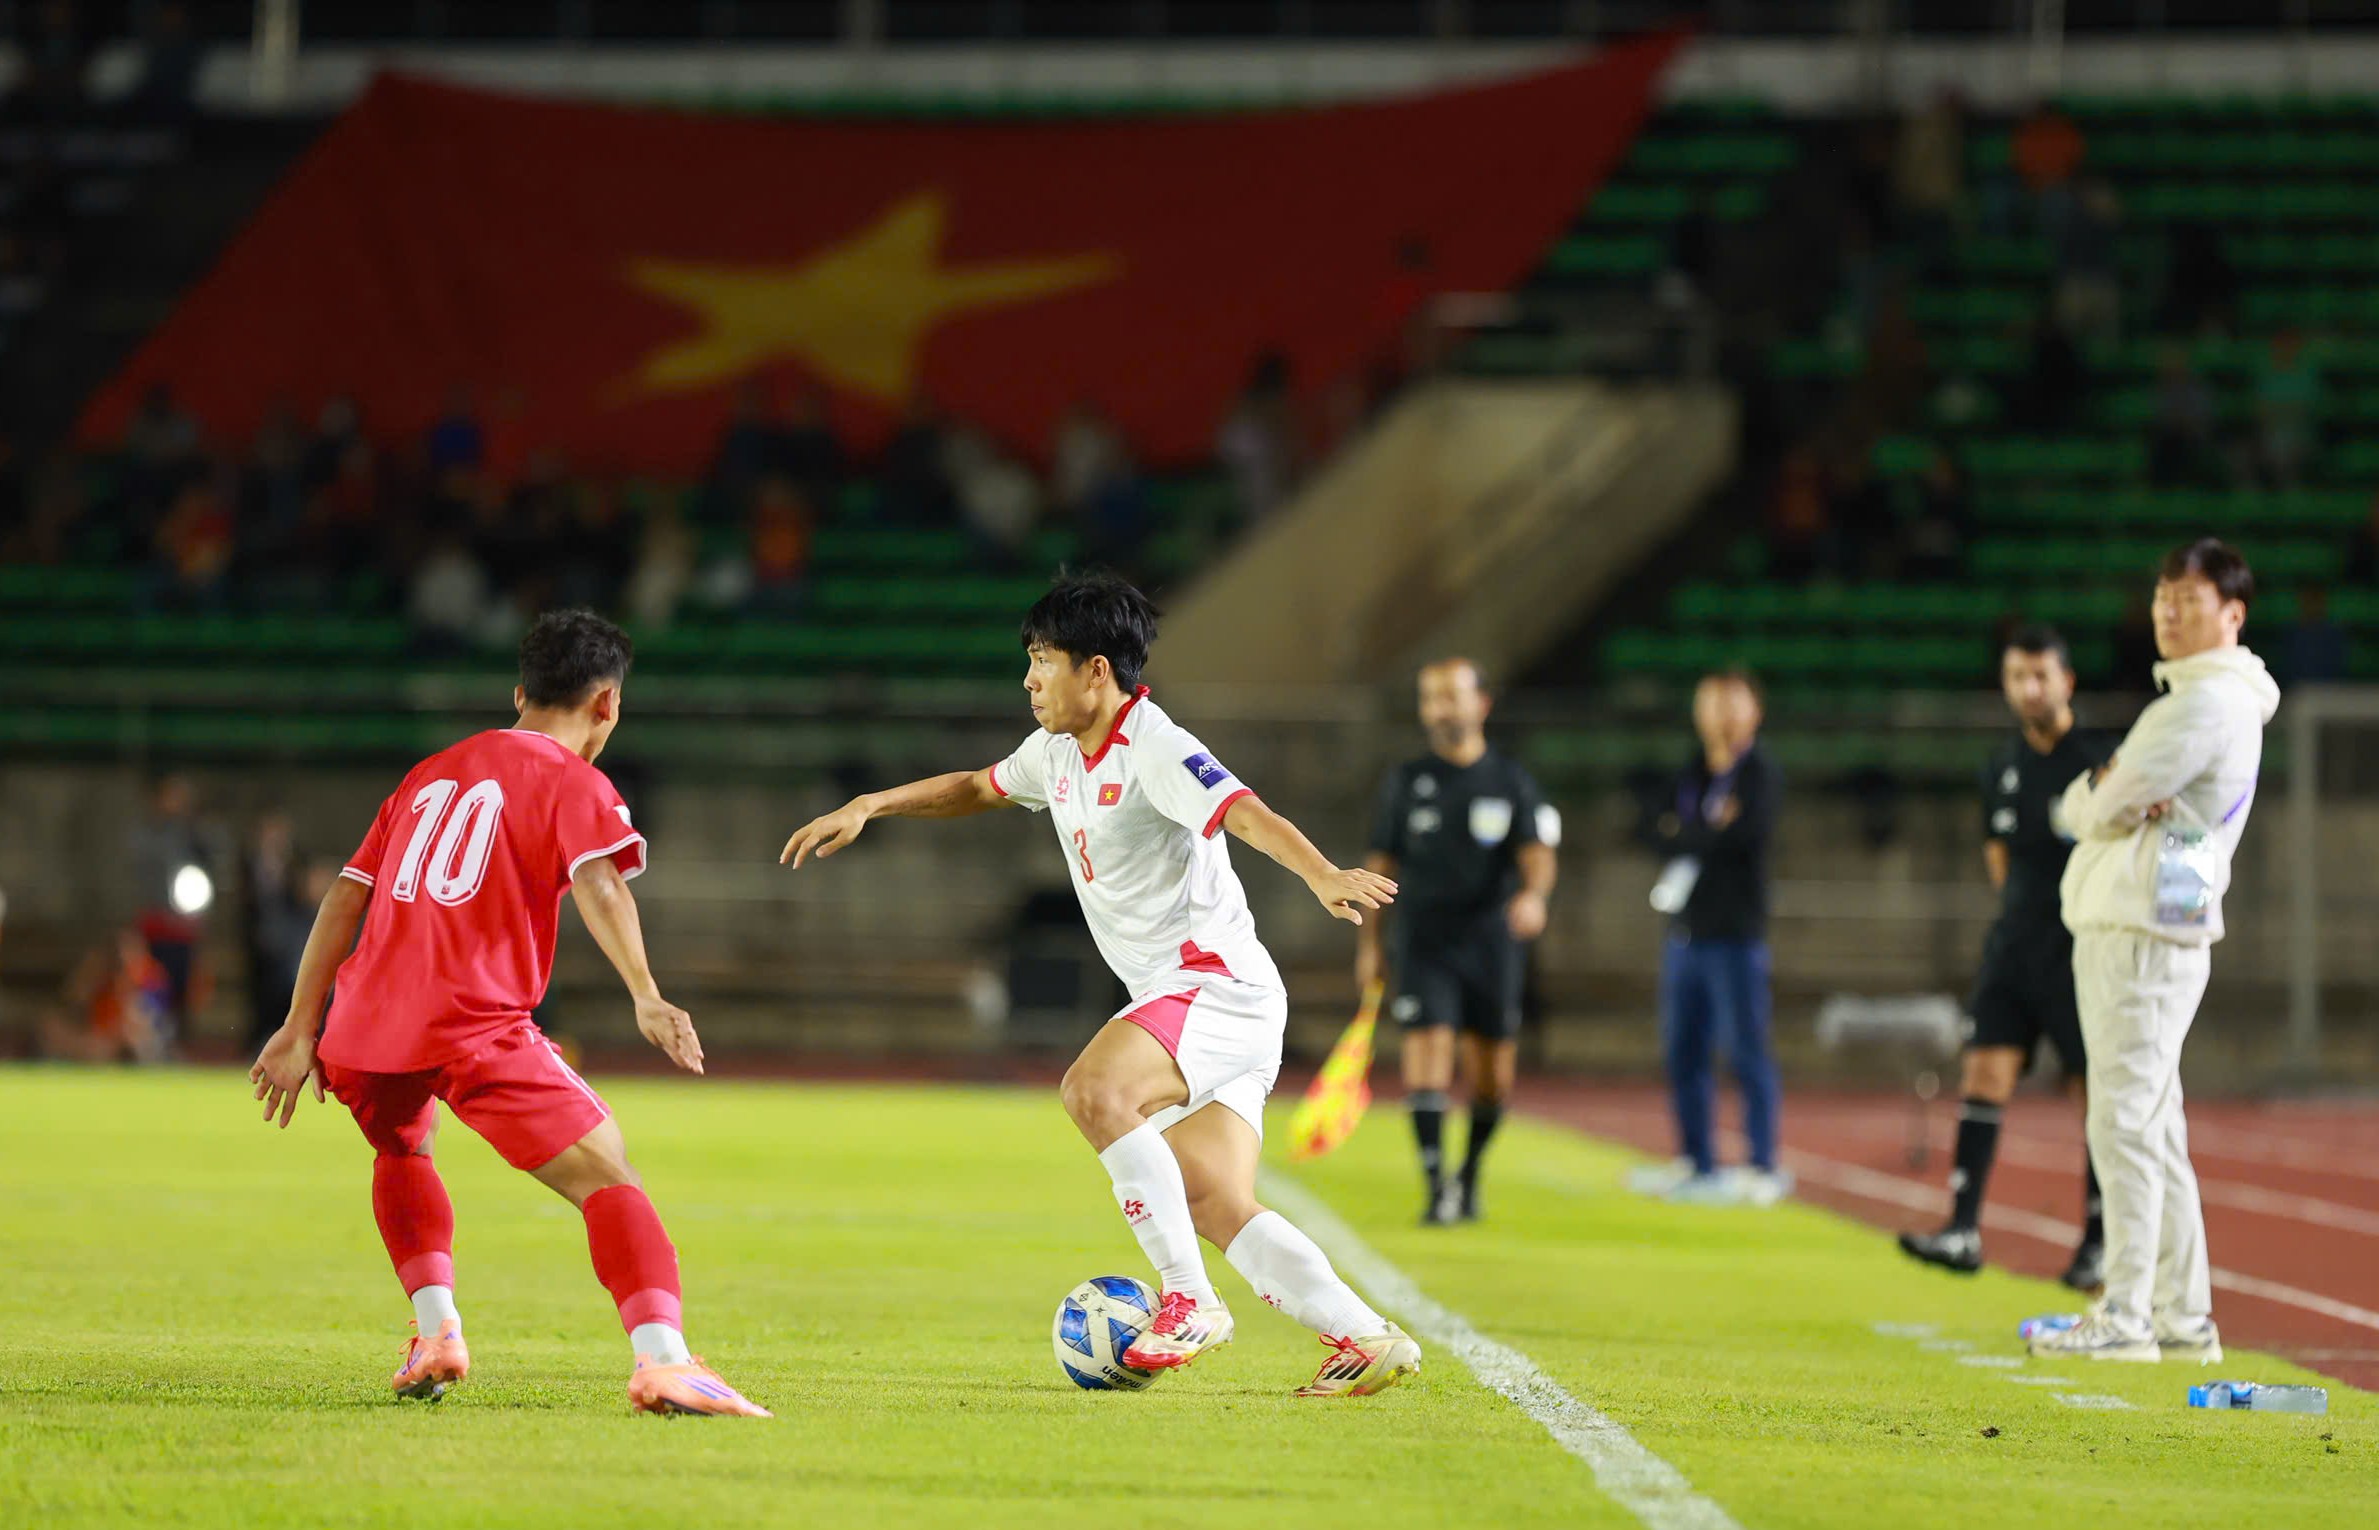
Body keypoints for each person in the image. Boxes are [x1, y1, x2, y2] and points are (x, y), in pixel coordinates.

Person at [779, 570, 1421, 1398]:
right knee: (1210, 1197)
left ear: (1095, 671)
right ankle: (1363, 1336)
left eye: (1042, 659)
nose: (1028, 678)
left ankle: (1188, 1301)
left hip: (1211, 985)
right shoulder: (1054, 752)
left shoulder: (1154, 744)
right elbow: (978, 786)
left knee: (1092, 1092)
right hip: (1208, 1000)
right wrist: (872, 803)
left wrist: (1321, 873)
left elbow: (1244, 811)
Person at [246, 610, 769, 1417]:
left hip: (364, 1029)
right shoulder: (573, 781)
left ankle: (436, 1332)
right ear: (608, 706)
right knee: (607, 1175)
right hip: (475, 1025)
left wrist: (298, 1023)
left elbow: (348, 894)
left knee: (404, 1151)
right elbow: (599, 880)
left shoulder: (430, 771)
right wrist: (645, 993)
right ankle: (664, 1360)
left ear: (520, 692)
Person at [2031, 540, 2279, 1364]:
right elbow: (2118, 799)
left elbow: (2098, 803)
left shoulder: (2200, 706)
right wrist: (2107, 797)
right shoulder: (2210, 700)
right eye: (2161, 596)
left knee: (2124, 1126)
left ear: (2232, 614)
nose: (2168, 611)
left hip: (2142, 931)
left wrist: (2092, 796)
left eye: (2188, 598)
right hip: (2159, 921)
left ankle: (2128, 1317)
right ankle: (2180, 1317)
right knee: (2152, 1129)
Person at [1899, 626, 2109, 1289]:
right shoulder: (1999, 766)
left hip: (2078, 951)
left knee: (2092, 1096)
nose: (2029, 688)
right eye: (2017, 676)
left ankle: (2100, 1242)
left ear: (2066, 681)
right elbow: (1997, 858)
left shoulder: (2098, 763)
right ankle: (1961, 1229)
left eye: (2041, 675)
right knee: (1982, 1075)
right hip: (2012, 948)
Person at [1356, 659, 1559, 1225]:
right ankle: (1435, 1186)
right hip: (1423, 940)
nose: (1439, 708)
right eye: (1430, 698)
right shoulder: (1406, 779)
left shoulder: (1511, 781)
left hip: (1492, 945)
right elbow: (1381, 860)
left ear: (1481, 704)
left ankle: (1468, 1174)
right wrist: (1369, 944)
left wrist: (1534, 896)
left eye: (1451, 696)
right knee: (1427, 1055)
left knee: (1494, 1075)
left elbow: (1538, 853)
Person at [1631, 670, 1787, 1205]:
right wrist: (1704, 832)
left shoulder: (1759, 773)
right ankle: (1697, 1161)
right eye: (1711, 703)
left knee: (1746, 1050)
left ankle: (1762, 1165)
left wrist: (1688, 835)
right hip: (1686, 933)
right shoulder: (1690, 772)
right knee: (1683, 1050)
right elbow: (1651, 829)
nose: (1720, 713)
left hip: (1736, 935)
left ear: (1755, 713)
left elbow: (1747, 835)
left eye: (1732, 703)